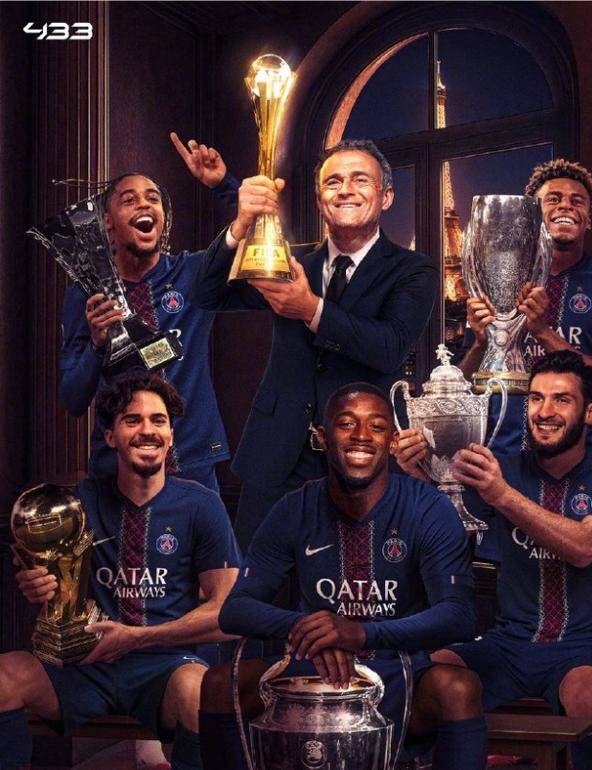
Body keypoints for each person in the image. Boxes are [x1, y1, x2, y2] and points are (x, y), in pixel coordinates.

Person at [198, 383, 487, 770]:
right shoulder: (295, 508)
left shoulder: (428, 507)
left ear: (392, 441)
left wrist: (360, 634)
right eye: (346, 424)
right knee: (219, 684)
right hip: (311, 671)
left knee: (459, 689)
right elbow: (236, 610)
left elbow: (458, 615)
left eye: (377, 426)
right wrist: (313, 631)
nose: (361, 436)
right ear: (322, 437)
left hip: (398, 671)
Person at [177, 136, 437, 551]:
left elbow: (388, 346)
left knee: (351, 583)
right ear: (320, 202)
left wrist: (311, 309)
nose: (345, 189)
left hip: (361, 461)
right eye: (333, 182)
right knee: (258, 583)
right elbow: (206, 293)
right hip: (275, 459)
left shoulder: (414, 270)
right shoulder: (291, 261)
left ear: (386, 196)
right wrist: (240, 225)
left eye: (360, 180)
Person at [398, 350, 592, 770]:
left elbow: (585, 547)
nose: (545, 412)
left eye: (562, 399)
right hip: (509, 644)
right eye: (536, 398)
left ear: (590, 412)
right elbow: (447, 516)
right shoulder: (502, 468)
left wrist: (503, 495)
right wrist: (422, 473)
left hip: (590, 643)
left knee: (584, 696)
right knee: (426, 675)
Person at [0, 371, 240, 770]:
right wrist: (38, 581)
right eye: (132, 420)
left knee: (200, 695)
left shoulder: (201, 505)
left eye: (158, 420)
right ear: (111, 436)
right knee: (3, 677)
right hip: (84, 667)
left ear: (171, 435)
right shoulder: (77, 503)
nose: (147, 430)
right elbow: (48, 579)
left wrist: (136, 638)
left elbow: (229, 614)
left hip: (165, 666)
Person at [59, 150, 235, 492]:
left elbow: (263, 240)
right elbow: (73, 399)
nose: (144, 204)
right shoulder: (85, 294)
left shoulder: (194, 273)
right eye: (129, 200)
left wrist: (224, 185)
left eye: (153, 199)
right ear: (108, 221)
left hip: (193, 465)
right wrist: (97, 345)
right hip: (116, 473)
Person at [459, 158, 592, 455]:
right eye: (553, 199)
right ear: (532, 215)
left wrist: (543, 333)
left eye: (577, 201)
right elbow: (462, 385)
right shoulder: (496, 276)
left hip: (576, 459)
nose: (565, 206)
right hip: (497, 452)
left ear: (588, 219)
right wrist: (480, 344)